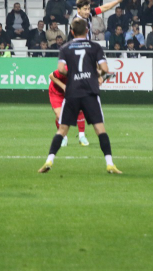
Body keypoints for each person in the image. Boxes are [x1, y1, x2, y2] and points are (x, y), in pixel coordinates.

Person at [38, 17, 122, 174]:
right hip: (89, 92)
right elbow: (104, 67)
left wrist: (75, 74)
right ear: (87, 31)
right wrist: (95, 74)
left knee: (62, 130)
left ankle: (49, 160)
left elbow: (61, 69)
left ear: (71, 32)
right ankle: (110, 164)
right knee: (100, 130)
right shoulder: (95, 46)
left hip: (72, 92)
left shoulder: (65, 47)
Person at [48, 66, 90, 148]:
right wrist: (63, 86)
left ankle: (82, 136)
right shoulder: (66, 69)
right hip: (57, 93)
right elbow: (51, 76)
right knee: (59, 116)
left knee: (80, 109)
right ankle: (63, 137)